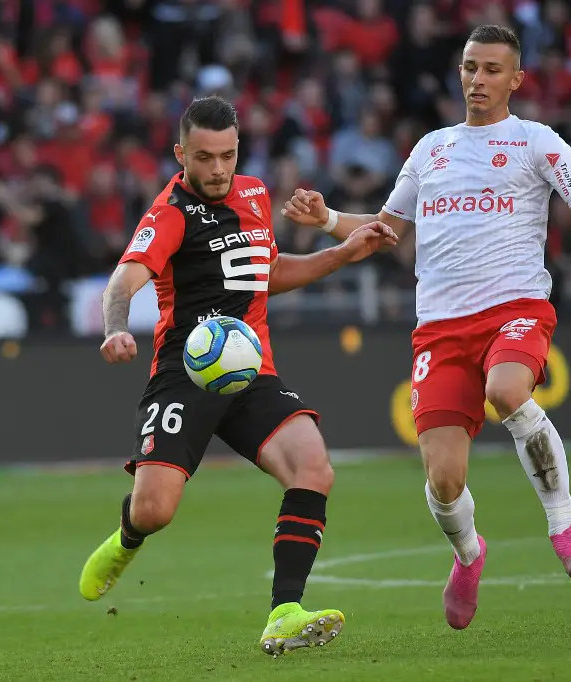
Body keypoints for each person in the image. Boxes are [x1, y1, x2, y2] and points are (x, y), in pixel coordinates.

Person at [282, 25, 571, 631]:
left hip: (514, 307)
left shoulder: (536, 141)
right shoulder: (431, 149)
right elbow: (385, 230)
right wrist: (330, 218)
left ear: (516, 80)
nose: (478, 79)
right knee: (444, 480)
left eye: (492, 69)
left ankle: (563, 526)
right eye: (471, 66)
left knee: (506, 391)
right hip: (440, 328)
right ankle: (469, 556)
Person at [78, 96, 397, 655]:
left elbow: (266, 273)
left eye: (227, 155)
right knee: (155, 510)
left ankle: (284, 612)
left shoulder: (254, 194)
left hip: (250, 369)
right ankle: (128, 536)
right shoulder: (169, 213)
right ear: (182, 154)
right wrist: (115, 328)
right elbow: (122, 282)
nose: (218, 169)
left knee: (314, 467)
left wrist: (342, 252)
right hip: (185, 373)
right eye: (204, 158)